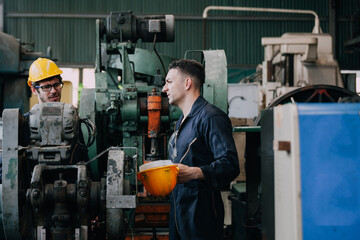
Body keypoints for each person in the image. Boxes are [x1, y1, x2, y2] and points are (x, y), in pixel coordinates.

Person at [162, 59, 240, 240]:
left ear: (187, 83)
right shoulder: (181, 122)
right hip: (179, 213)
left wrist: (196, 173)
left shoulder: (211, 117)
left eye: (169, 82)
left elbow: (230, 164)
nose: (164, 89)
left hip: (202, 215)